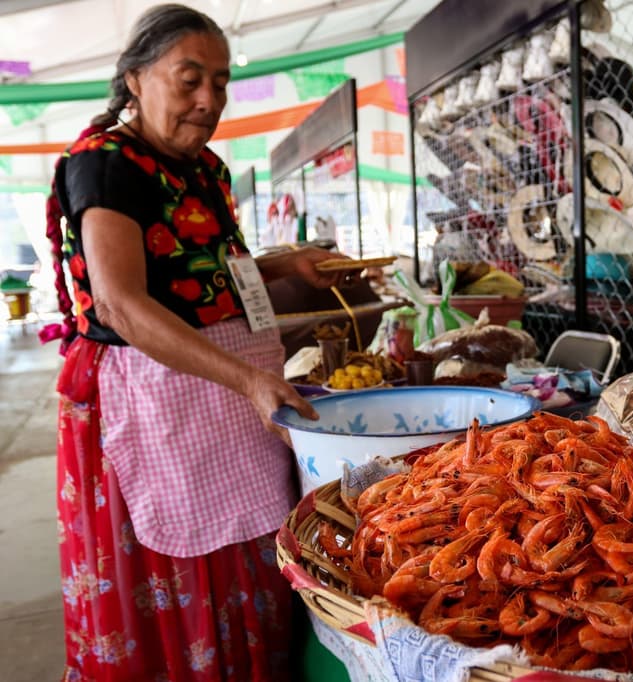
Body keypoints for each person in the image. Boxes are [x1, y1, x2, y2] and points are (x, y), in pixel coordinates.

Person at [45, 5, 353, 679]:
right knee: (181, 566)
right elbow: (124, 305)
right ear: (134, 80)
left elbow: (205, 268)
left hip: (218, 396)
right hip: (155, 398)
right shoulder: (104, 165)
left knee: (247, 550)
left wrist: (284, 269)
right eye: (189, 80)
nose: (208, 99)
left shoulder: (204, 168)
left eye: (220, 80)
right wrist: (246, 379)